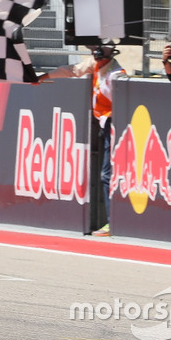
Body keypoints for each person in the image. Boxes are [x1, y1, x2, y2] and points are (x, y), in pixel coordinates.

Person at [38, 40, 126, 237]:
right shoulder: (94, 64)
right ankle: (113, 222)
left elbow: (118, 98)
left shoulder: (116, 74)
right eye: (94, 48)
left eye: (101, 48)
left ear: (111, 50)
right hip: (104, 126)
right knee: (106, 175)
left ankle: (114, 223)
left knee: (107, 175)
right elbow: (73, 70)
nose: (96, 51)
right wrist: (44, 76)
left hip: (114, 126)